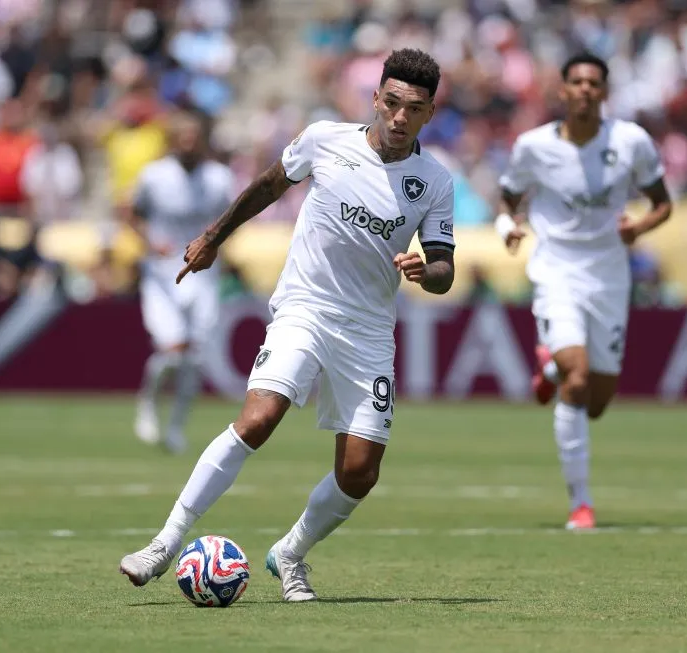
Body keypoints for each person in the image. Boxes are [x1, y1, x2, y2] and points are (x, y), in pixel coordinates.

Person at [120, 49, 456, 601]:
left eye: (413, 109)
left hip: (369, 330)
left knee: (359, 474)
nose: (399, 117)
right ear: (375, 99)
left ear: (429, 113)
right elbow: (270, 185)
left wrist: (429, 271)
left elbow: (444, 265)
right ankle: (164, 542)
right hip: (305, 307)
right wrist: (212, 237)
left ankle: (291, 553)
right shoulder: (326, 140)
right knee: (258, 419)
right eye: (391, 103)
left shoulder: (434, 181)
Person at [495, 52, 673, 531]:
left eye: (594, 83)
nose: (585, 90)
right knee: (577, 381)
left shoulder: (631, 141)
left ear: (605, 92)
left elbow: (663, 204)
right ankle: (581, 503)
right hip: (557, 269)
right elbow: (508, 198)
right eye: (577, 82)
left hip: (610, 277)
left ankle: (548, 364)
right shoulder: (533, 147)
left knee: (595, 400)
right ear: (563, 91)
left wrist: (638, 228)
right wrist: (507, 226)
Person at [131, 110, 235, 454]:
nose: (189, 143)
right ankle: (148, 403)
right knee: (172, 351)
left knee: (194, 357)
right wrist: (149, 241)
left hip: (202, 275)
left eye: (195, 137)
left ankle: (176, 427)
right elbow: (132, 213)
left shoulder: (219, 178)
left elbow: (232, 218)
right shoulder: (154, 176)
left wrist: (217, 244)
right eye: (183, 137)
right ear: (173, 140)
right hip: (162, 275)